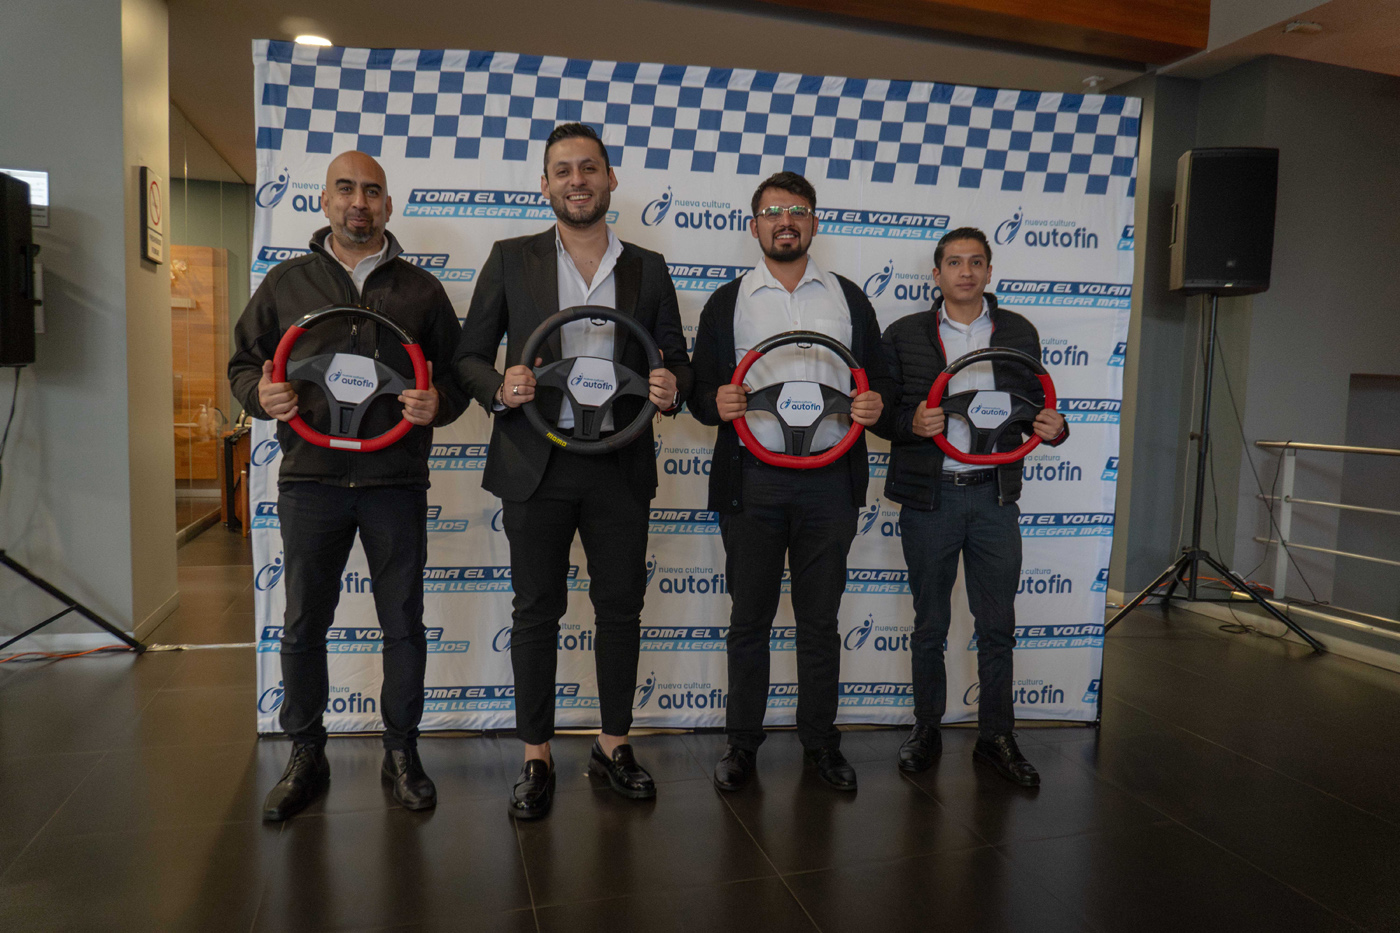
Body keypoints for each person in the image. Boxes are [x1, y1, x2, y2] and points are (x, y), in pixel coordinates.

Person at [453, 123, 693, 819]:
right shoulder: (511, 258)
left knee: (620, 608)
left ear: (611, 179)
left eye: (589, 168)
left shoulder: (648, 267)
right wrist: (502, 386)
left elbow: (676, 358)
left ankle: (613, 745)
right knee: (536, 611)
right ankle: (536, 755)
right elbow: (468, 357)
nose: (577, 180)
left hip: (619, 461)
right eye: (563, 170)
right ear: (545, 184)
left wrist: (671, 385)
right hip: (535, 463)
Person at [229, 151, 468, 820]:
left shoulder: (422, 290)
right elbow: (243, 365)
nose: (358, 201)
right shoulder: (286, 282)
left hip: (395, 480)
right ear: (325, 201)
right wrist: (260, 395)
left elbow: (457, 377)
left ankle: (402, 753)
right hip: (312, 480)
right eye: (345, 189)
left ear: (388, 205)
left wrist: (439, 404)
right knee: (304, 622)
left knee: (403, 624)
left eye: (371, 191)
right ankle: (307, 753)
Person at [688, 171, 895, 792]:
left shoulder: (849, 298)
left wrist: (873, 405)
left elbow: (879, 386)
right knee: (748, 620)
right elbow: (699, 395)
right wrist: (716, 401)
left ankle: (821, 744)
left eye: (798, 211)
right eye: (774, 211)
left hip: (829, 480)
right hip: (751, 481)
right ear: (754, 225)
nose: (786, 221)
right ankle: (741, 745)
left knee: (820, 622)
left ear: (813, 222)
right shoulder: (728, 301)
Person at [875, 227, 1068, 787]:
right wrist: (910, 422)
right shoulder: (904, 333)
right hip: (930, 498)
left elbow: (1035, 410)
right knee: (929, 624)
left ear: (988, 272)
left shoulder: (1018, 332)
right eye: (955, 262)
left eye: (976, 262)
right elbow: (881, 414)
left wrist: (1055, 430)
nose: (966, 271)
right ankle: (926, 729)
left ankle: (997, 736)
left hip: (994, 496)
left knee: (998, 625)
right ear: (936, 274)